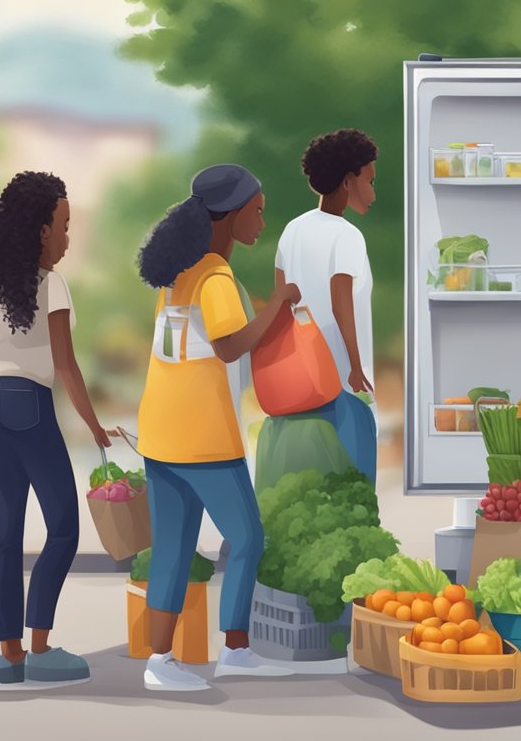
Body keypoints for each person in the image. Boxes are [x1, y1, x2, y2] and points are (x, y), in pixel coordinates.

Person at [134, 164, 301, 691]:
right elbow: (231, 346)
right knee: (248, 537)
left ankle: (160, 663)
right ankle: (234, 648)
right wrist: (280, 303)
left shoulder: (177, 273)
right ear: (228, 217)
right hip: (203, 437)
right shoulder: (215, 275)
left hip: (161, 430)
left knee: (173, 547)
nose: (262, 220)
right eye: (256, 209)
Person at [0, 171, 114, 689]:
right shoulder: (51, 283)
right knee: (63, 526)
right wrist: (96, 427)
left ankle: (7, 657)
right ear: (39, 230)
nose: (67, 238)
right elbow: (67, 367)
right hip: (27, 403)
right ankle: (40, 647)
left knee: (6, 534)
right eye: (63, 225)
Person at [274, 129, 379, 483]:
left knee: (309, 483)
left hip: (302, 380)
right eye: (369, 181)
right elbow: (341, 301)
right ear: (348, 181)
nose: (373, 194)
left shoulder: (292, 230)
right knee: (354, 482)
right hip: (344, 385)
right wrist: (355, 365)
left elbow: (281, 301)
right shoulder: (347, 235)